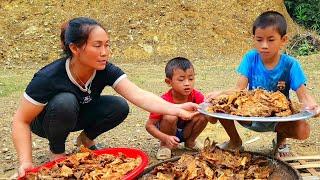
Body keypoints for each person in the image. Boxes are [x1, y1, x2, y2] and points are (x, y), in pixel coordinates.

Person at [12, 17, 200, 177]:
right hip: (47, 121)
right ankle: (57, 151)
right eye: (97, 45)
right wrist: (26, 161)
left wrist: (176, 109)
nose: (105, 52)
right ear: (75, 49)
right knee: (65, 101)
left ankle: (86, 139)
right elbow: (21, 120)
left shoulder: (105, 68)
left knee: (119, 106)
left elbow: (138, 94)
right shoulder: (48, 77)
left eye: (107, 45)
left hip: (77, 114)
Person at [206, 11, 320, 158]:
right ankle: (235, 141)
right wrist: (220, 94)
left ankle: (281, 142)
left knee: (302, 130)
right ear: (254, 39)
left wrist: (314, 107)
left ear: (283, 40)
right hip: (250, 115)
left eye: (271, 40)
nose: (264, 45)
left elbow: (303, 95)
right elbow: (239, 89)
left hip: (278, 118)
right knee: (220, 106)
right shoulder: (250, 58)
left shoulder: (291, 65)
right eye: (259, 40)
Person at [145, 57, 217, 160]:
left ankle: (190, 142)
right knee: (170, 116)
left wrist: (214, 107)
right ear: (168, 82)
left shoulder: (197, 96)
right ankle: (165, 146)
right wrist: (165, 138)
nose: (187, 83)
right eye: (181, 79)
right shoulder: (163, 101)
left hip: (187, 131)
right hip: (168, 133)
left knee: (202, 114)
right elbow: (149, 126)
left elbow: (212, 120)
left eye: (191, 79)